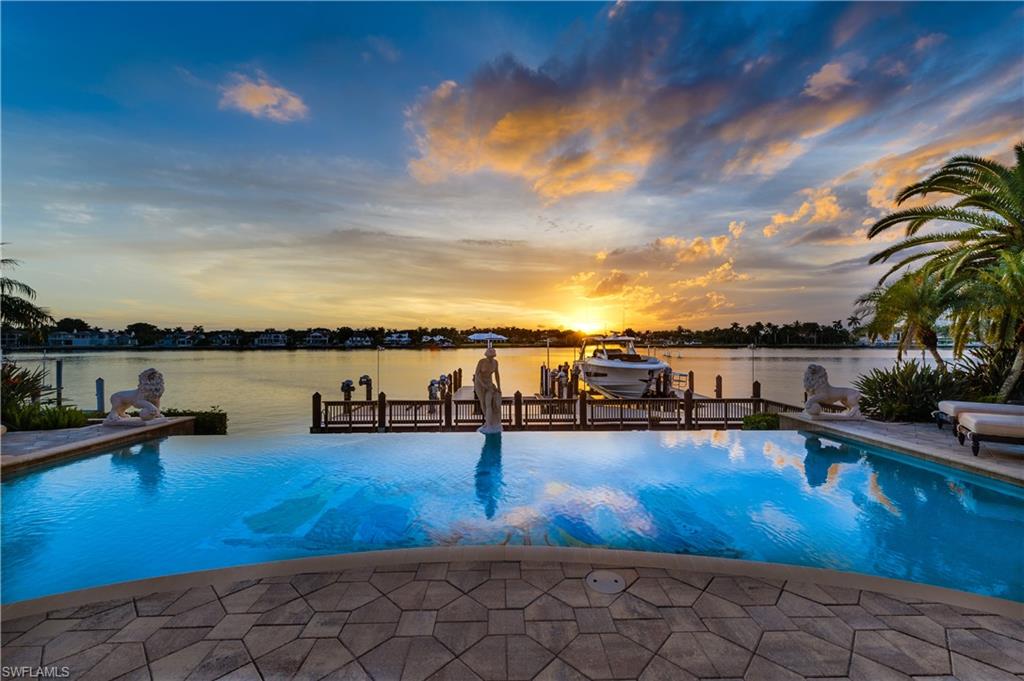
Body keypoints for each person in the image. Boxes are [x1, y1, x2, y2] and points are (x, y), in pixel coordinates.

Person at [473, 346, 502, 434]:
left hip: (489, 383)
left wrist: (499, 387)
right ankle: (487, 421)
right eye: (489, 355)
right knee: (483, 402)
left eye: (492, 355)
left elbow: (497, 375)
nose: (490, 357)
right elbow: (477, 374)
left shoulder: (495, 363)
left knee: (488, 401)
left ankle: (490, 423)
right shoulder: (481, 362)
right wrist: (483, 384)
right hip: (479, 384)